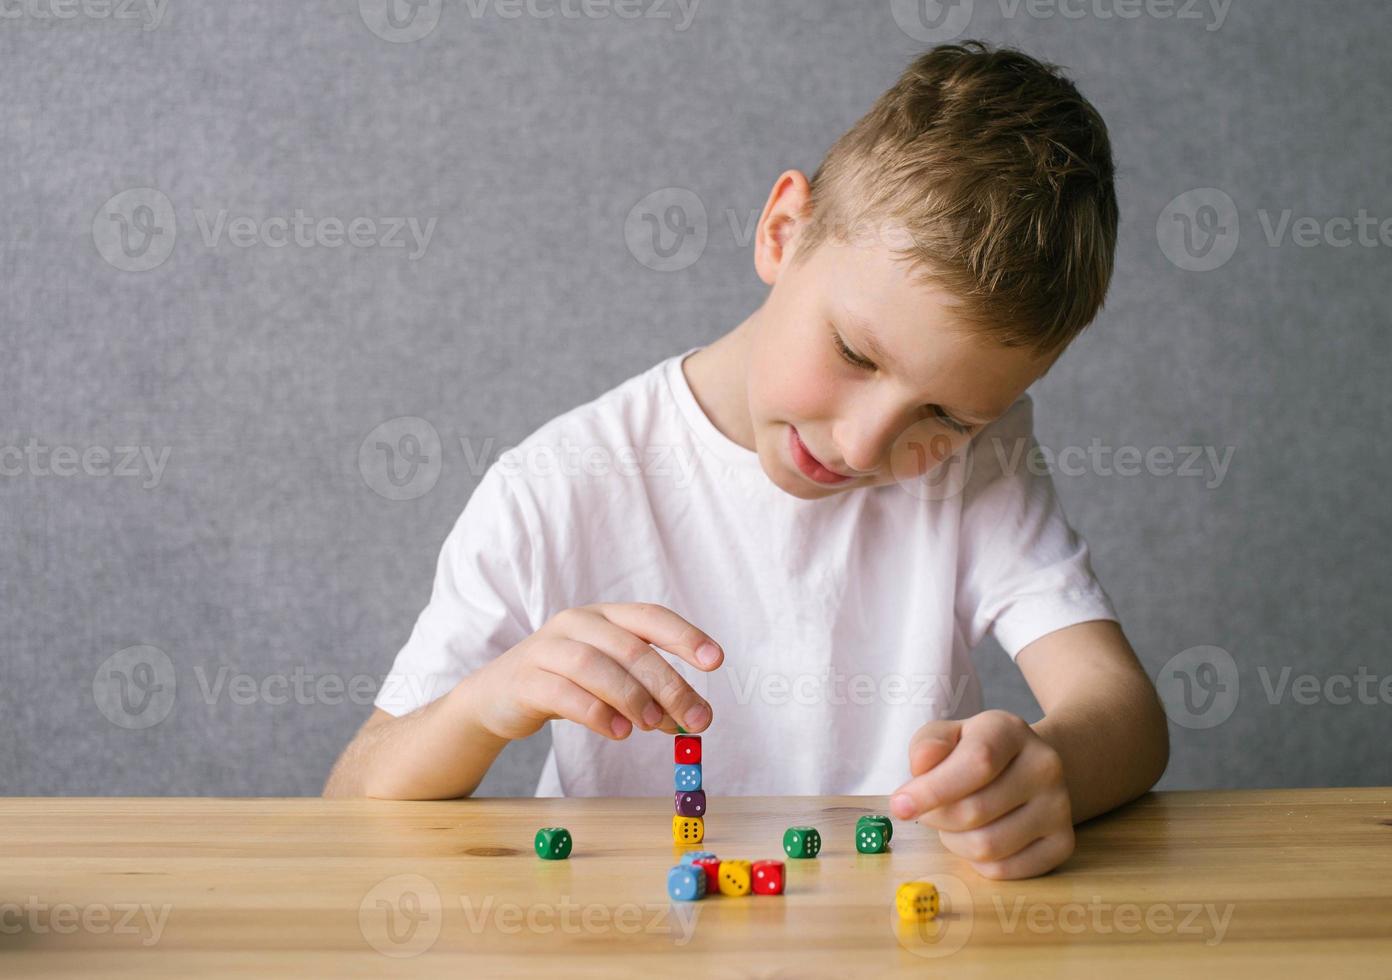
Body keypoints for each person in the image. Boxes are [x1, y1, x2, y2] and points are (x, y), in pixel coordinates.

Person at [326, 39, 1169, 881]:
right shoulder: (555, 485)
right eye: (854, 353)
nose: (863, 443)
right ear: (781, 233)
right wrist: (485, 703)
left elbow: (1124, 715)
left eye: (944, 415)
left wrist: (1049, 765)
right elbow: (350, 805)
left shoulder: (979, 464)